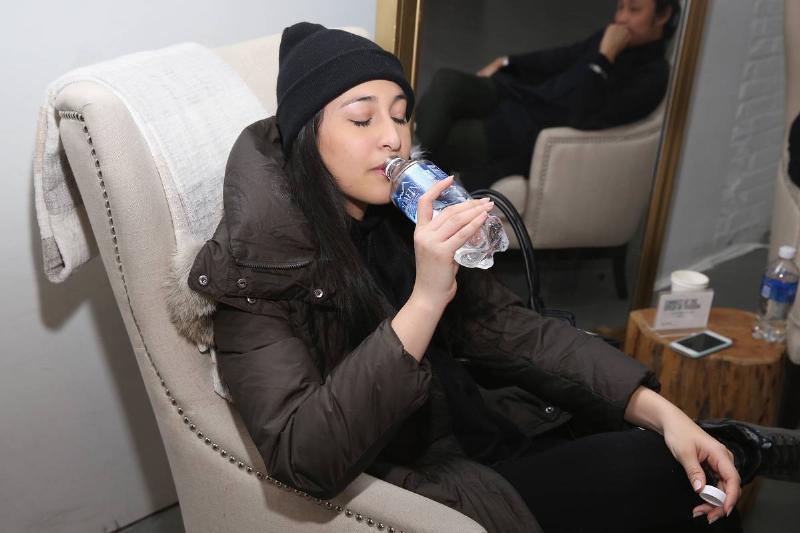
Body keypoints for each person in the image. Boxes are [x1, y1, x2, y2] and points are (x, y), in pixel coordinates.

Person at [178, 22, 800, 533]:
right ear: (307, 136)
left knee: (669, 449)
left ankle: (725, 439)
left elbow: (508, 329)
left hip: (485, 422)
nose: (393, 139)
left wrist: (665, 413)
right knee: (654, 474)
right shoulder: (259, 266)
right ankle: (743, 444)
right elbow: (302, 457)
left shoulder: (399, 219)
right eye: (362, 120)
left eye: (401, 115)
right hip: (419, 479)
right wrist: (425, 297)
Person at [414, 0, 679, 192]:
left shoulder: (651, 76)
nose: (621, 19)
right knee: (448, 80)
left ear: (663, 14)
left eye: (634, 10)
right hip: (522, 95)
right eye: (620, 7)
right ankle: (409, 165)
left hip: (525, 130)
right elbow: (558, 58)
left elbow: (582, 114)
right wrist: (506, 62)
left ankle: (407, 177)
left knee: (451, 137)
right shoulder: (610, 37)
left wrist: (604, 59)